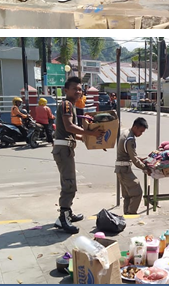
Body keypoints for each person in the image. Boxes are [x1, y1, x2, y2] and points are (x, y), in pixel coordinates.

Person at [53, 76, 102, 233]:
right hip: (63, 149)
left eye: (80, 89)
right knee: (69, 184)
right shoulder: (67, 105)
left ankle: (67, 213)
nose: (78, 92)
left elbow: (72, 132)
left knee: (69, 182)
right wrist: (91, 133)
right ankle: (63, 218)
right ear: (66, 90)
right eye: (74, 89)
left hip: (65, 148)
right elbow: (69, 127)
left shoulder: (70, 106)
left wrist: (92, 140)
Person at [116, 117, 153, 214]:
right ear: (135, 127)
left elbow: (130, 154)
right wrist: (145, 168)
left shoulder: (125, 133)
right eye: (140, 131)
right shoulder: (130, 139)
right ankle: (131, 213)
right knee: (137, 192)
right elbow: (134, 159)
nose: (141, 134)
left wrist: (140, 159)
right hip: (124, 170)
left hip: (121, 169)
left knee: (128, 195)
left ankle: (127, 215)